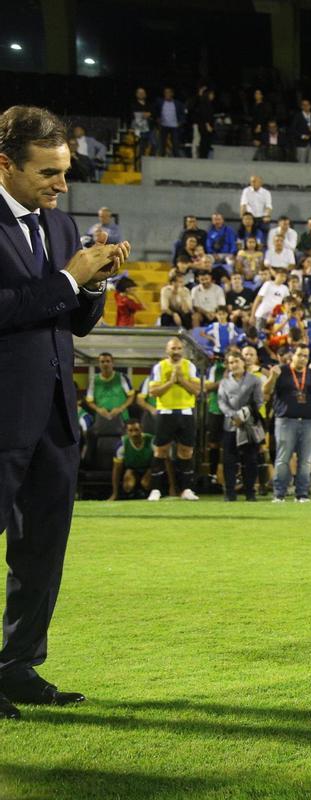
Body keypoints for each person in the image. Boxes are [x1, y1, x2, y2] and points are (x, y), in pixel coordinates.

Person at [0, 105, 129, 718]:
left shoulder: (60, 225)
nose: (61, 183)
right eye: (48, 172)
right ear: (6, 164)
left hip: (54, 417)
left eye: (65, 170)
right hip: (1, 416)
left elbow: (73, 322)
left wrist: (96, 282)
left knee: (42, 551)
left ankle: (17, 667)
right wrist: (68, 279)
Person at [263, 344, 311, 502]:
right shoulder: (281, 371)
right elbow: (266, 392)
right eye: (300, 355)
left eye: (306, 355)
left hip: (308, 421)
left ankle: (302, 494)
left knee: (306, 460)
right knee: (283, 459)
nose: (303, 358)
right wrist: (272, 377)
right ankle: (279, 494)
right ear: (293, 356)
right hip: (286, 420)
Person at [145, 337, 201, 502]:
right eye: (173, 349)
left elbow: (197, 390)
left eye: (178, 349)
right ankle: (155, 489)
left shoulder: (189, 366)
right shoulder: (159, 367)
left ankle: (186, 489)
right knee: (161, 450)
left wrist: (182, 380)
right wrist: (171, 381)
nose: (176, 352)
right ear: (166, 350)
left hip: (186, 412)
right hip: (165, 411)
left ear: (182, 350)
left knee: (186, 451)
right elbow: (153, 391)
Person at [216, 350, 264, 502]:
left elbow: (259, 401)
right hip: (230, 425)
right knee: (229, 460)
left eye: (236, 361)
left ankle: (250, 492)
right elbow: (221, 402)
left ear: (243, 362)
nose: (233, 365)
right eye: (230, 362)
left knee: (250, 460)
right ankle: (230, 492)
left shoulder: (255, 381)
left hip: (249, 426)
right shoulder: (224, 382)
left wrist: (244, 414)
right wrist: (233, 415)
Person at [85, 352, 135, 436]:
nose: (105, 364)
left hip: (122, 417)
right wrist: (98, 410)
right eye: (102, 361)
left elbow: (131, 396)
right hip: (102, 418)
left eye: (108, 361)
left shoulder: (122, 377)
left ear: (112, 363)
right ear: (99, 364)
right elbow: (89, 400)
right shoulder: (94, 380)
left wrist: (120, 408)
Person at [110, 418, 154, 501]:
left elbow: (166, 462)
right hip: (131, 469)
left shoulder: (152, 440)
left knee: (146, 483)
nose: (134, 433)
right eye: (130, 430)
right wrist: (115, 493)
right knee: (128, 485)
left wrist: (172, 487)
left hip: (149, 468)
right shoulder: (121, 444)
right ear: (126, 432)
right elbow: (117, 469)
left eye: (136, 430)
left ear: (142, 429)